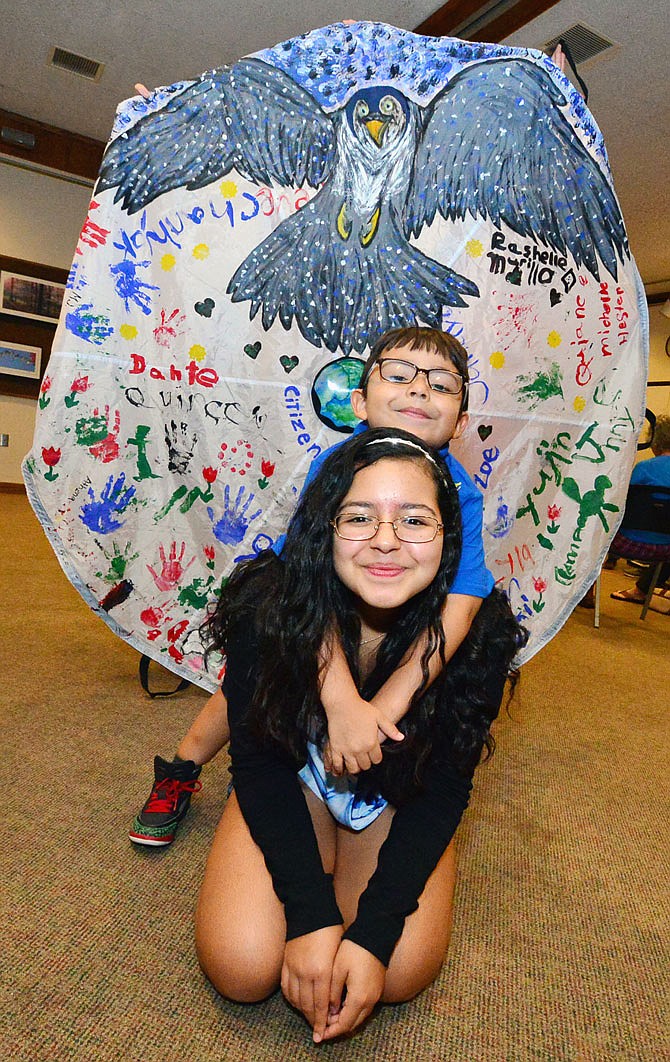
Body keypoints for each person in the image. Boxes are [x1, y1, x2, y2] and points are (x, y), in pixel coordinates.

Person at [194, 428, 526, 1042]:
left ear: (450, 539)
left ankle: (353, 876)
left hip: (395, 794)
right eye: (359, 517)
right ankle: (305, 857)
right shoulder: (267, 606)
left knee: (396, 973)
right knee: (241, 968)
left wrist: (371, 935)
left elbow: (444, 791)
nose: (386, 541)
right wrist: (309, 915)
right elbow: (259, 765)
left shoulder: (480, 636)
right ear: (325, 529)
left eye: (415, 520)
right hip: (296, 779)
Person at [130, 326, 494, 846]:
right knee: (249, 688)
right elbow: (304, 589)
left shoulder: (465, 494)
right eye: (399, 375)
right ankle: (182, 766)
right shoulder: (333, 468)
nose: (419, 389)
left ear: (461, 422)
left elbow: (459, 607)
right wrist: (344, 703)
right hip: (310, 617)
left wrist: (380, 713)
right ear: (360, 401)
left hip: (392, 639)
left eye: (441, 383)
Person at [609, 413, 670, 606]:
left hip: (626, 542)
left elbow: (621, 505)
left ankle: (587, 591)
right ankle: (643, 590)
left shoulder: (643, 468)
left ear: (655, 441)